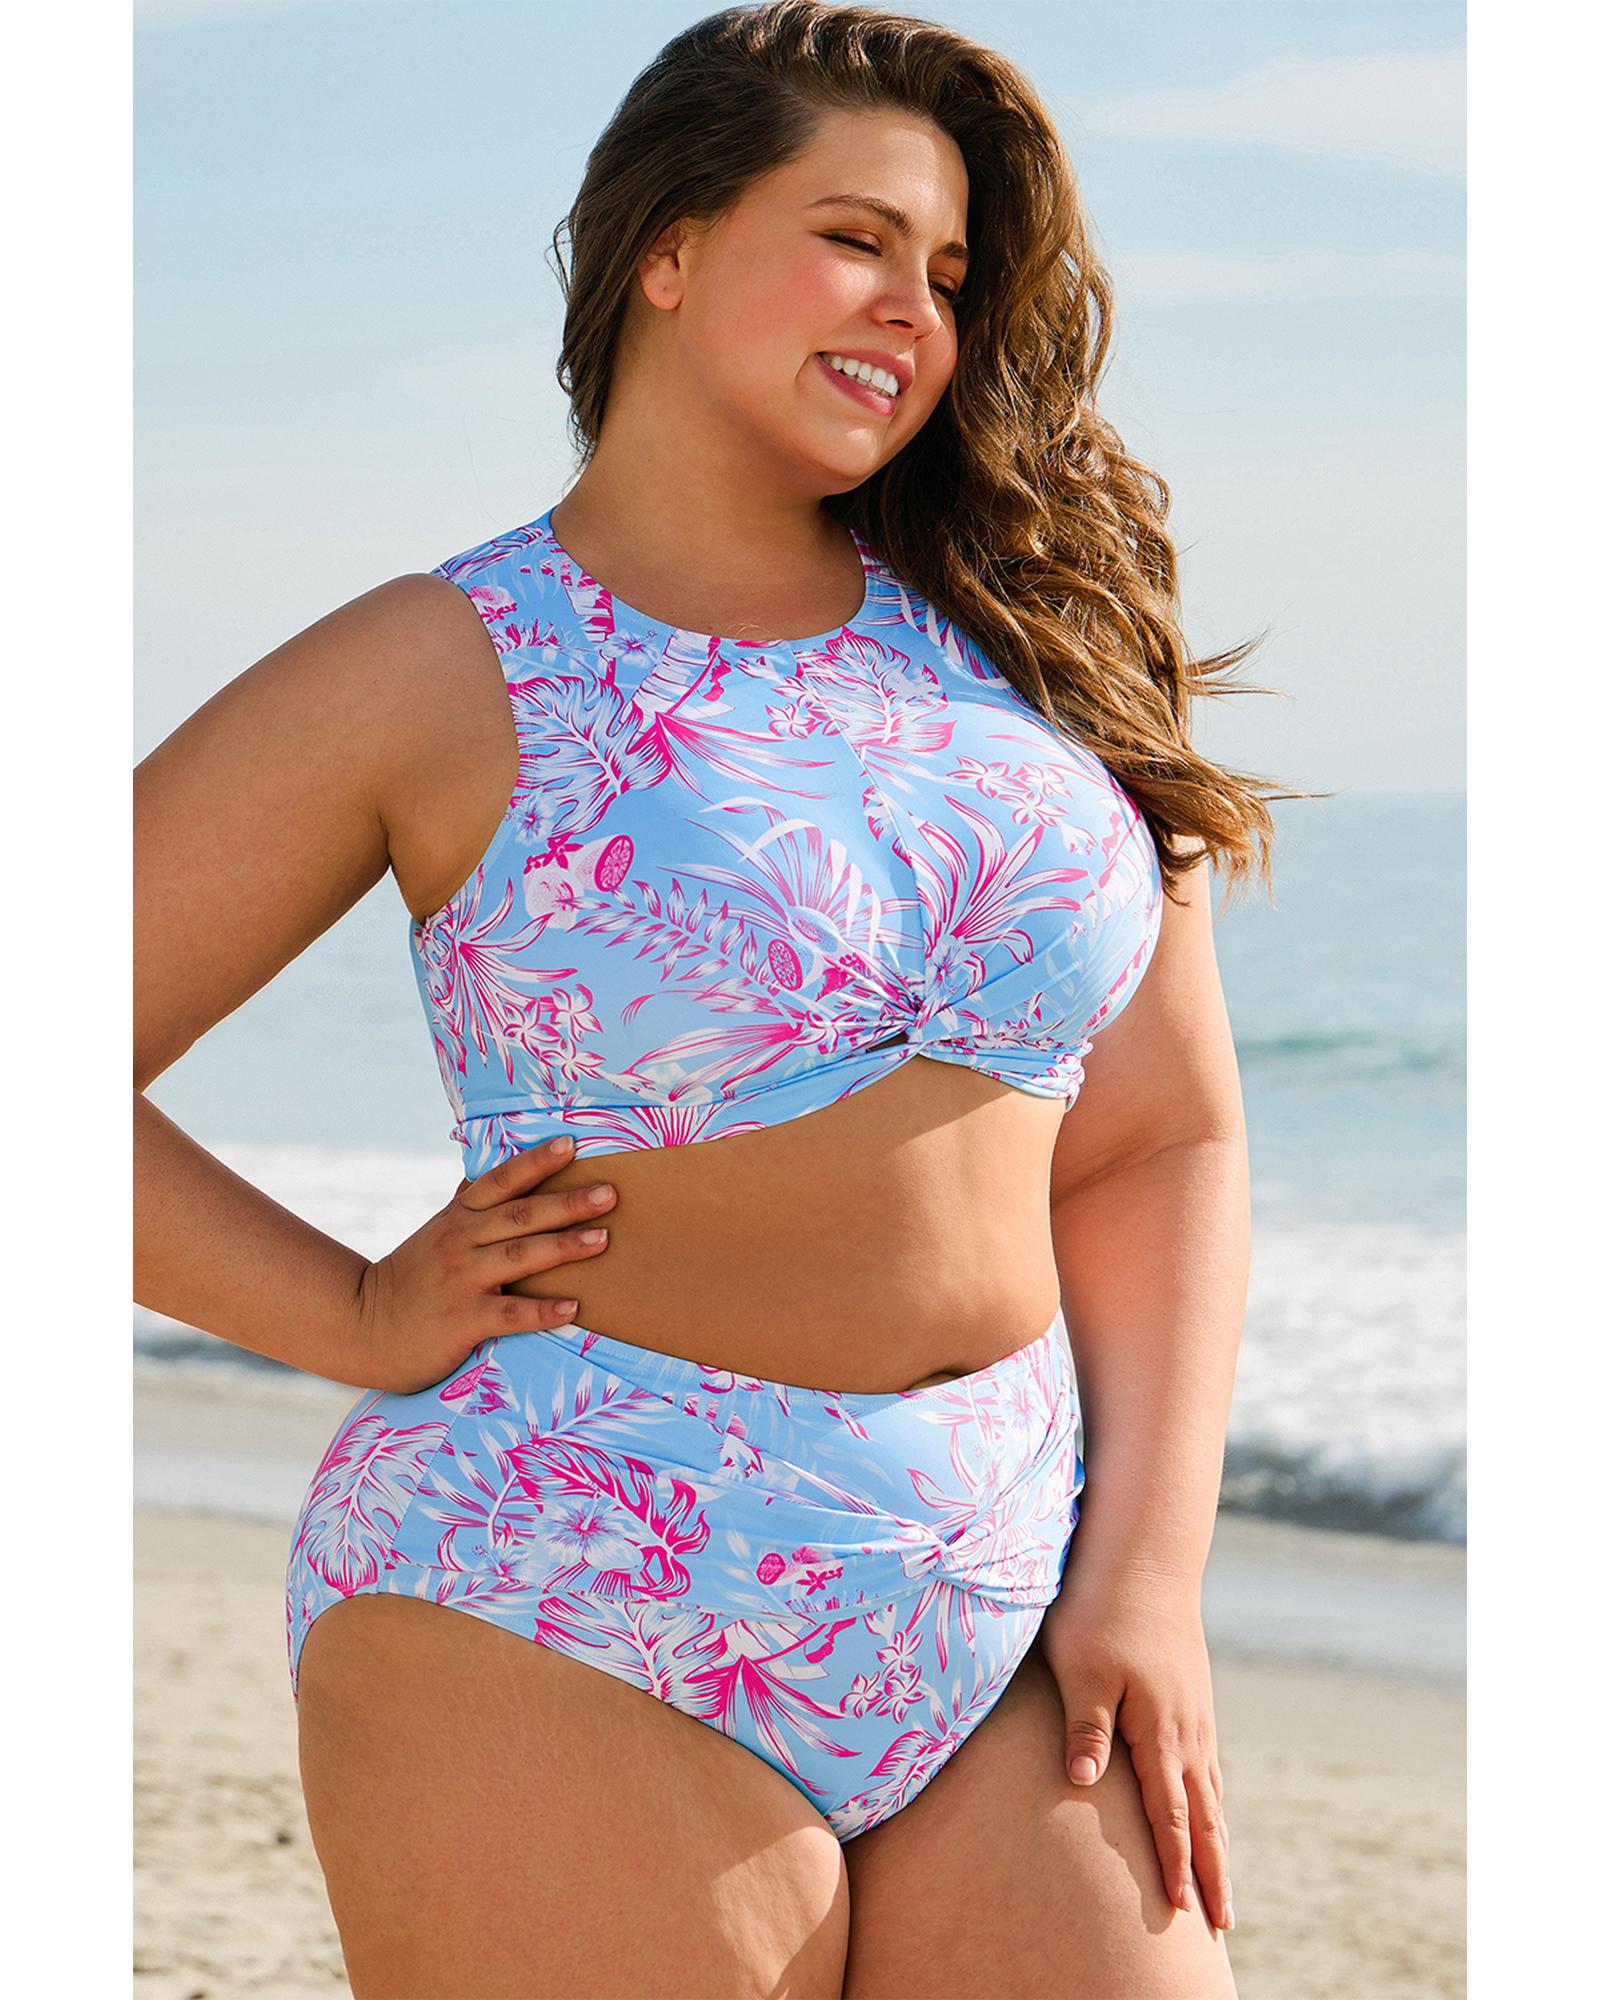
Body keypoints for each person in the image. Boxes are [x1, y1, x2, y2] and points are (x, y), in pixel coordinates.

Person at [135, 5, 1298, 1994]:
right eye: (853, 237)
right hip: (553, 1587)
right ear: (665, 248)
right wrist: (344, 1312)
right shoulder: (443, 662)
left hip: (1012, 1604)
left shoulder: (1042, 656)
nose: (912, 308)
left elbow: (1162, 1136)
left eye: (949, 272)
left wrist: (1151, 1570)